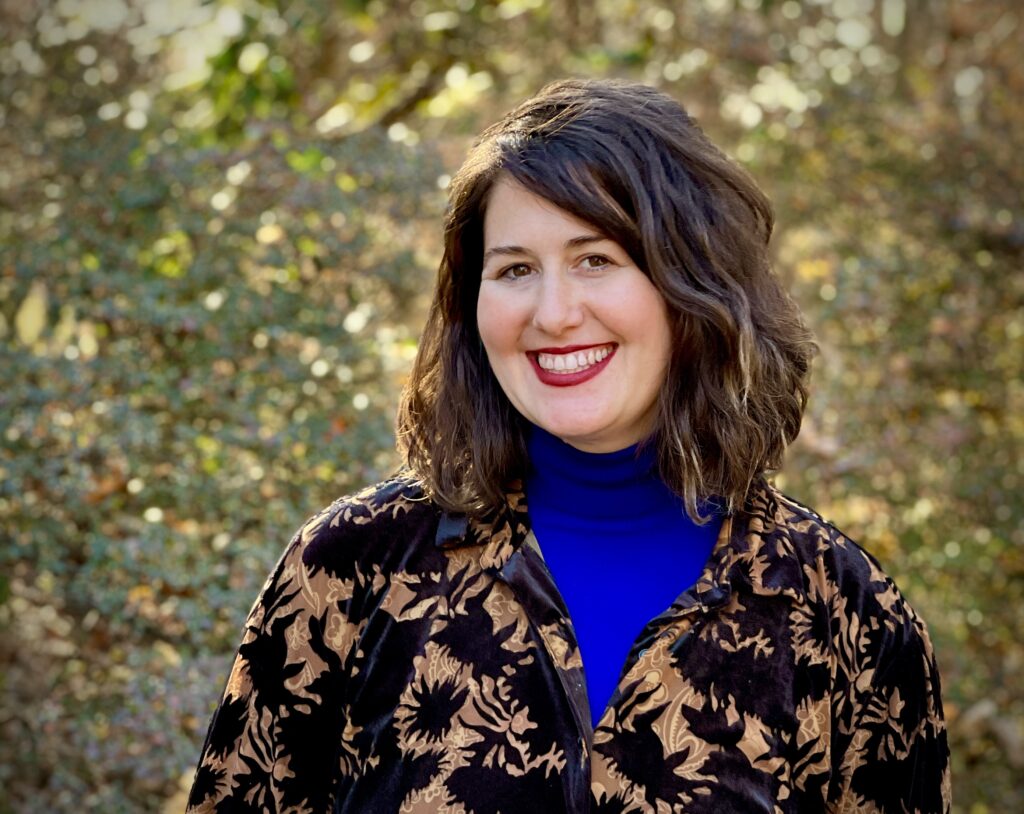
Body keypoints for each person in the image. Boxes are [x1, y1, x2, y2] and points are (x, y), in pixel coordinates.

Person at [187, 78, 950, 813]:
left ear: (693, 282)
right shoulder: (351, 568)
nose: (553, 314)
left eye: (597, 260)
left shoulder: (848, 615)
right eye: (515, 269)